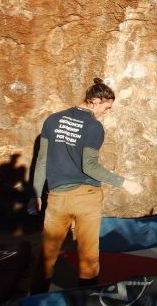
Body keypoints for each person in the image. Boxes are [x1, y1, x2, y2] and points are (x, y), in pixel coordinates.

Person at [30, 78, 143, 293]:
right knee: (88, 255)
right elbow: (89, 166)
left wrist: (35, 193)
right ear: (95, 101)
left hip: (56, 197)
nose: (105, 113)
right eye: (106, 108)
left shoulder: (52, 120)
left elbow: (42, 160)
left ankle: (34, 302)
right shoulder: (94, 127)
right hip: (86, 196)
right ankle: (87, 302)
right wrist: (124, 183)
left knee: (47, 254)